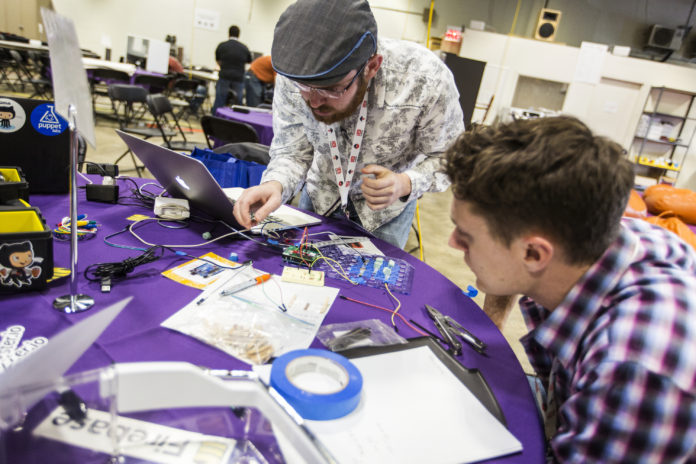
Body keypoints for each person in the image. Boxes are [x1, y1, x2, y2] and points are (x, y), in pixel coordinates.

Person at [444, 116, 696, 463]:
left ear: (534, 253)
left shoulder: (630, 369)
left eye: (466, 236)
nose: (452, 242)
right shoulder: (599, 237)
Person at [232, 0, 464, 250]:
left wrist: (406, 183)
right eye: (304, 87)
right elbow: (292, 151)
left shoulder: (426, 80)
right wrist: (274, 184)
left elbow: (450, 157)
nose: (314, 101)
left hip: (384, 214)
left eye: (332, 89)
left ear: (371, 67)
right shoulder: (295, 73)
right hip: (319, 199)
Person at [212, 25, 251, 114]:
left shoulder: (222, 46)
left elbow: (218, 61)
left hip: (224, 76)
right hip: (238, 78)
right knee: (238, 103)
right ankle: (237, 122)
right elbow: (249, 61)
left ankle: (215, 119)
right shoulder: (244, 48)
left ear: (228, 34)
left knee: (219, 101)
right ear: (239, 35)